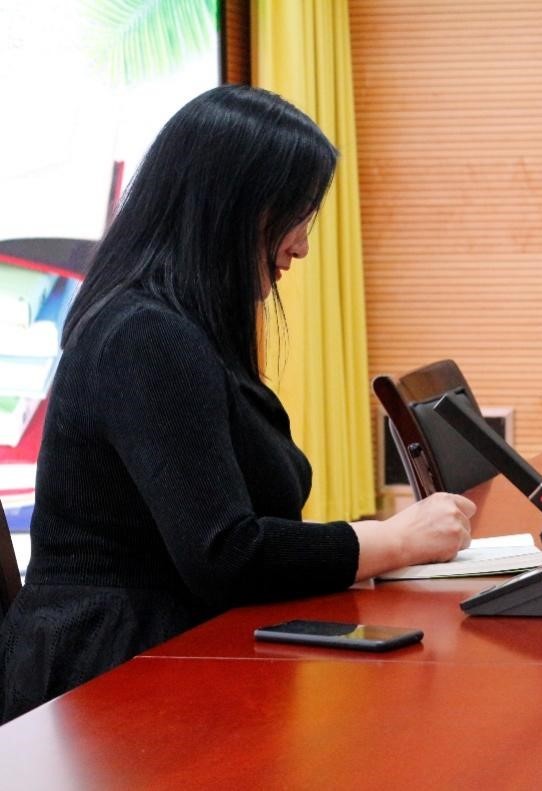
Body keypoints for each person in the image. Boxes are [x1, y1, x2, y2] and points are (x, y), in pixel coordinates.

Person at [0, 85, 476, 723]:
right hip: (112, 686)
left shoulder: (182, 328)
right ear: (234, 208)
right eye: (297, 214)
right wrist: (389, 540)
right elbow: (225, 555)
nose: (302, 245)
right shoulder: (145, 335)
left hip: (175, 656)